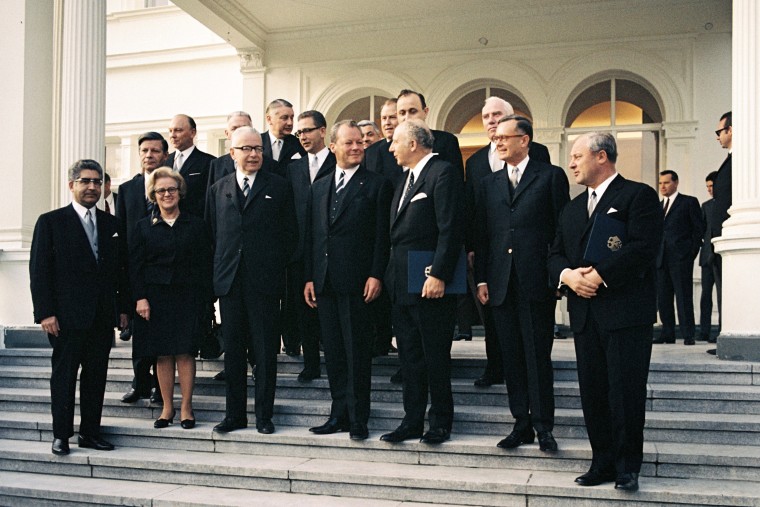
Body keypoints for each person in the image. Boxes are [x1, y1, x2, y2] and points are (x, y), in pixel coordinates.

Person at [548, 132, 663, 492]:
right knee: (593, 392)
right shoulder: (570, 207)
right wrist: (568, 275)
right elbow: (553, 254)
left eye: (577, 156)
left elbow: (644, 248)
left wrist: (599, 275)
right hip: (584, 315)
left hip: (625, 314)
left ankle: (628, 466)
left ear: (601, 157)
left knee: (625, 391)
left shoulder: (638, 196)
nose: (571, 163)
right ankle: (602, 462)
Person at [474, 115, 569, 453]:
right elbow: (483, 235)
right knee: (512, 356)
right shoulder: (488, 183)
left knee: (536, 356)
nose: (498, 142)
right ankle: (521, 424)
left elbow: (562, 231)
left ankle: (544, 426)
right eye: (495, 138)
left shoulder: (550, 176)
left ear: (524, 140)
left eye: (504, 137)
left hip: (536, 281)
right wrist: (482, 277)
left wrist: (558, 275)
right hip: (500, 282)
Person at [30, 159, 129, 456]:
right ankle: (61, 435)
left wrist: (122, 309)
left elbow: (120, 271)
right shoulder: (50, 222)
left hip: (101, 317)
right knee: (64, 376)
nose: (91, 187)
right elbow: (39, 271)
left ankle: (90, 433)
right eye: (85, 181)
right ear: (71, 185)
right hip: (65, 318)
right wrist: (45, 312)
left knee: (96, 376)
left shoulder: (112, 224)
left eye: (97, 182)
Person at [304, 120, 392, 441]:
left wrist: (376, 274)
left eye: (360, 143)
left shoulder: (377, 185)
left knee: (357, 353)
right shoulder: (319, 186)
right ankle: (337, 414)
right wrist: (309, 278)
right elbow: (313, 237)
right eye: (349, 143)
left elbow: (383, 237)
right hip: (325, 283)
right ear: (333, 146)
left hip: (359, 283)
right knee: (335, 354)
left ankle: (358, 418)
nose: (356, 148)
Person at [206, 126, 297, 434]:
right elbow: (212, 236)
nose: (254, 154)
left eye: (258, 148)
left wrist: (275, 269)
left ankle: (263, 416)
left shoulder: (279, 187)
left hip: (265, 284)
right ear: (232, 153)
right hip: (230, 284)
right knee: (233, 352)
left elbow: (290, 235)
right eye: (246, 148)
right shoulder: (219, 189)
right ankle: (235, 416)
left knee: (264, 351)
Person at [380, 119, 464, 445]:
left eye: (395, 142)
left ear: (413, 144)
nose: (390, 148)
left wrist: (440, 274)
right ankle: (411, 421)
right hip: (401, 282)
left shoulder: (442, 172)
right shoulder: (404, 180)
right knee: (410, 357)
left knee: (434, 356)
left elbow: (450, 228)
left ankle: (440, 422)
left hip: (430, 280)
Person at [464, 97, 553, 388]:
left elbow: (550, 213)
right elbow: (478, 215)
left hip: (531, 262)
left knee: (533, 340)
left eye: (497, 116)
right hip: (494, 257)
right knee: (496, 324)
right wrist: (476, 256)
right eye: (486, 116)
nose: (491, 121)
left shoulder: (540, 157)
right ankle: (495, 367)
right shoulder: (476, 162)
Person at [130, 168, 213, 429]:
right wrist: (140, 298)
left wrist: (206, 301)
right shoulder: (143, 227)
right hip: (155, 299)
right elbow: (135, 267)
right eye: (161, 190)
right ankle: (167, 408)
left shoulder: (196, 224)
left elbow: (204, 263)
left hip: (188, 296)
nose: (167, 194)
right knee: (163, 354)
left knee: (185, 352)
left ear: (180, 192)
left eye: (171, 189)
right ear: (153, 196)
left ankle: (187, 408)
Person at [116, 131, 168, 405]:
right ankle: (139, 383)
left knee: (161, 333)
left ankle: (161, 389)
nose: (149, 155)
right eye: (145, 151)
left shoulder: (173, 186)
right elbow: (121, 232)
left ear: (165, 155)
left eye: (155, 151)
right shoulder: (126, 190)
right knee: (140, 334)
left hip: (164, 270)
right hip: (135, 270)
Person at [285, 110, 335, 381]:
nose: (303, 136)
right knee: (303, 309)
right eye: (299, 132)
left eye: (308, 130)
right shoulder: (293, 168)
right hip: (300, 251)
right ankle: (311, 363)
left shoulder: (337, 162)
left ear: (323, 131)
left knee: (327, 307)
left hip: (329, 249)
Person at [654, 170, 704, 345]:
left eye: (666, 183)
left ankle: (688, 334)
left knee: (683, 297)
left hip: (681, 258)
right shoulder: (658, 206)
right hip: (661, 259)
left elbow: (698, 230)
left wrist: (690, 254)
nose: (662, 186)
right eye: (660, 183)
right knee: (663, 298)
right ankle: (667, 333)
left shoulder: (688, 202)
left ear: (675, 183)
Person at [166, 114, 216, 218]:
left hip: (195, 226)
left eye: (178, 130)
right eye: (170, 131)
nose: (172, 135)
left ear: (193, 132)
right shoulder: (164, 162)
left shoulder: (210, 162)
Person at [710, 111, 732, 348]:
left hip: (730, 238)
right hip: (721, 240)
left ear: (731, 130)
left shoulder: (740, 161)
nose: (717, 137)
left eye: (719, 131)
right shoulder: (730, 161)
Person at [699, 171, 720, 341]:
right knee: (705, 295)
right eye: (707, 187)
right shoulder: (705, 206)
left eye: (712, 186)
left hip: (720, 256)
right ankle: (704, 331)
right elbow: (701, 230)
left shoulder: (727, 203)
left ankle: (722, 329)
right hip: (706, 256)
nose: (709, 190)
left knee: (721, 295)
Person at [262, 99, 307, 176]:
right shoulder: (257, 142)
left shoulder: (299, 144)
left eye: (292, 118)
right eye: (284, 118)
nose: (290, 123)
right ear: (269, 119)